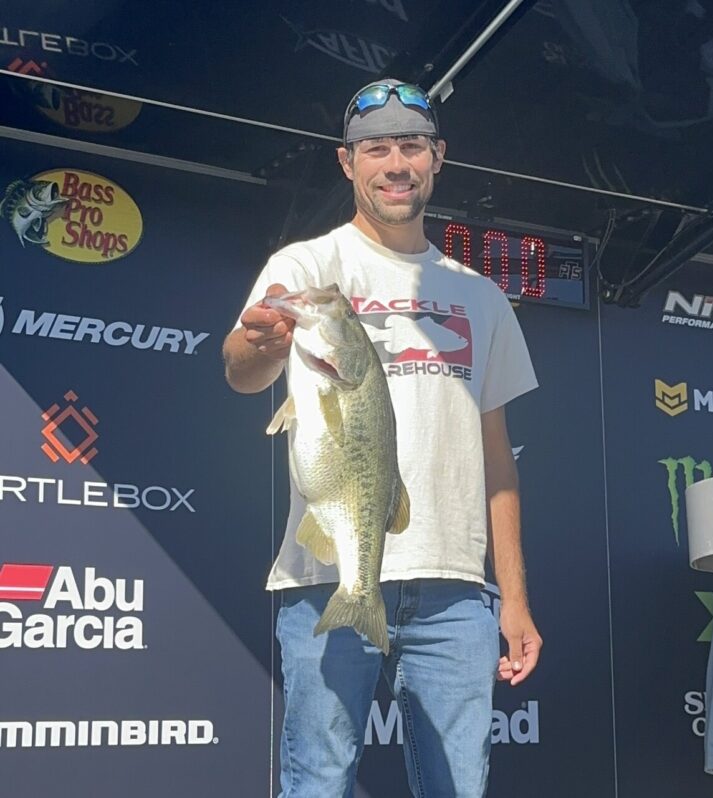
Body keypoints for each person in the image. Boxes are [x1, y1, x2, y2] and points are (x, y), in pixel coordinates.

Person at [223, 78, 542, 798]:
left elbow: (499, 463)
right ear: (348, 163)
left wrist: (513, 599)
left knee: (457, 787)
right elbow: (241, 371)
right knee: (318, 780)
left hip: (457, 592)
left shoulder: (482, 295)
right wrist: (265, 344)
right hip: (326, 577)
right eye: (377, 149)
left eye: (412, 147)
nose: (396, 164)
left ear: (438, 159)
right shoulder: (306, 266)